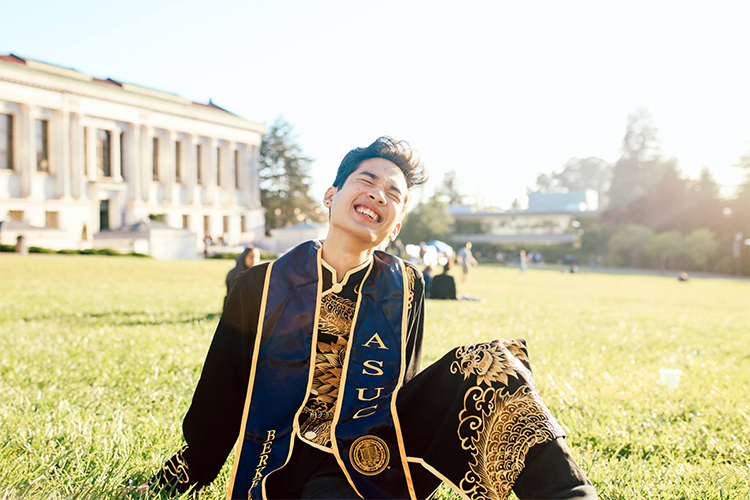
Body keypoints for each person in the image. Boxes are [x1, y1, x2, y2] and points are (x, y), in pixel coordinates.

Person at [145, 137, 596, 500]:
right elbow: (220, 397)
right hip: (288, 465)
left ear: (395, 225)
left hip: (375, 450)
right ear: (332, 195)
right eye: (367, 180)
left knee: (490, 363)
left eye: (393, 194)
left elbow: (403, 383)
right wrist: (178, 476)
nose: (378, 194)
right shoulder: (259, 286)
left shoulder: (408, 287)